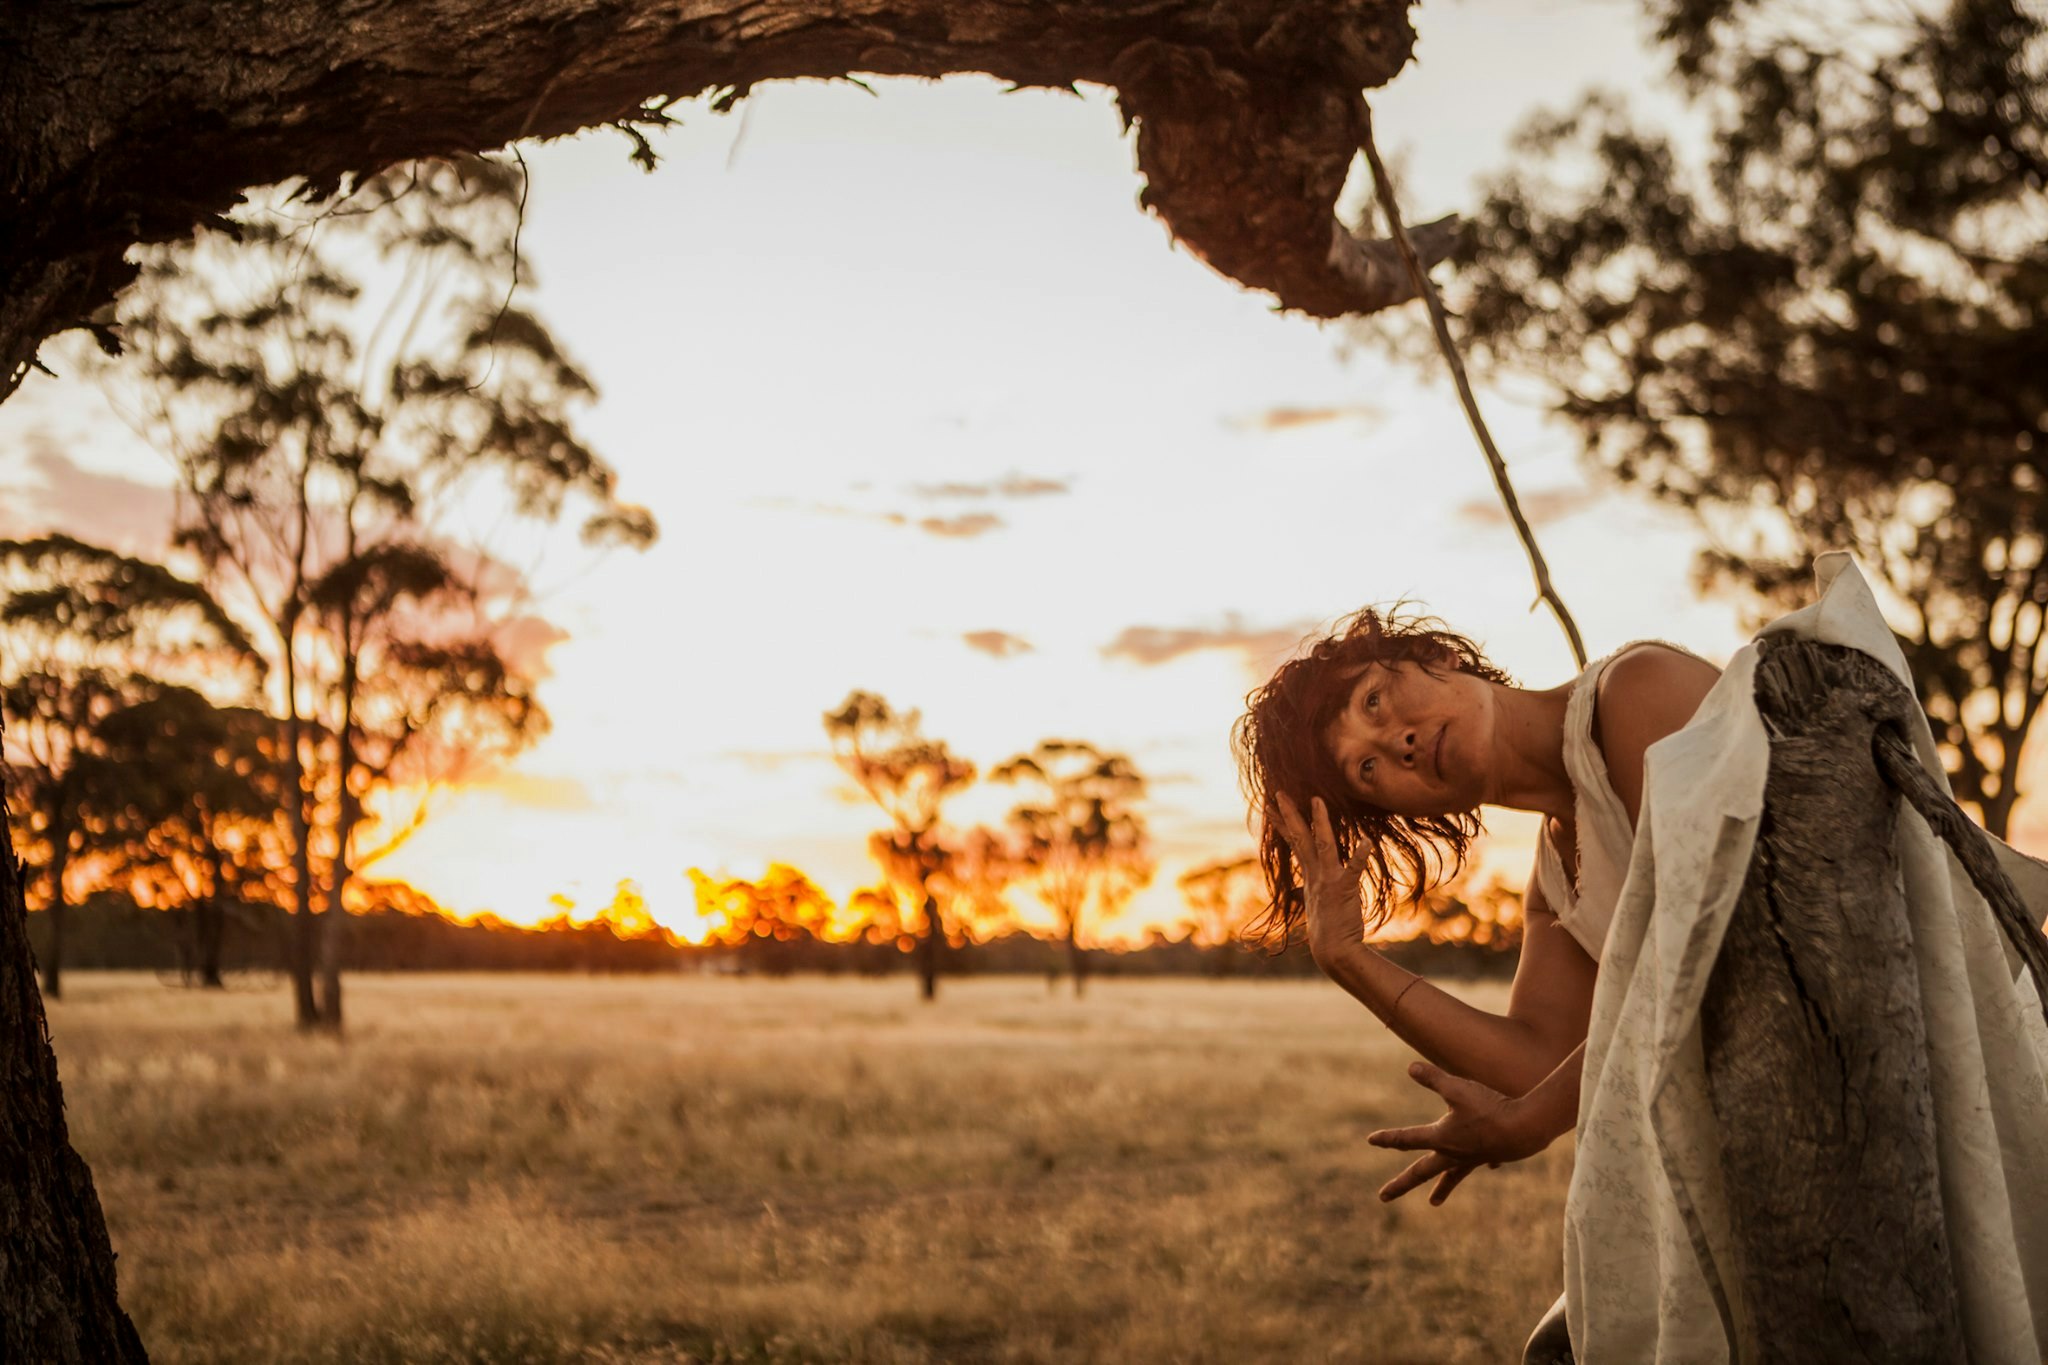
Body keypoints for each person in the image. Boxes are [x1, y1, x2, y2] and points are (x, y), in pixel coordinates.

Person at [1232, 607, 1720, 1204]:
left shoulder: (1639, 689)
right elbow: (1536, 1065)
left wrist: (1530, 1122)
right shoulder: (1555, 887)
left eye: (1374, 702)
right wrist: (1347, 959)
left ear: (1437, 655)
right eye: (1367, 768)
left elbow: (1712, 952)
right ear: (1405, 815)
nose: (1395, 743)